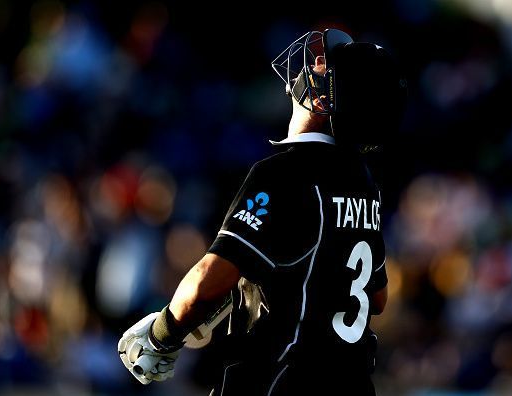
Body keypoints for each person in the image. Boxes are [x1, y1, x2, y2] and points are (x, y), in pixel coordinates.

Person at [118, 28, 407, 396]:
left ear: (330, 102)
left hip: (280, 379)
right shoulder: (366, 185)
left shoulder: (284, 173)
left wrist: (162, 334)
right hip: (351, 383)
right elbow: (375, 297)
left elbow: (208, 278)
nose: (316, 64)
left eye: (326, 69)